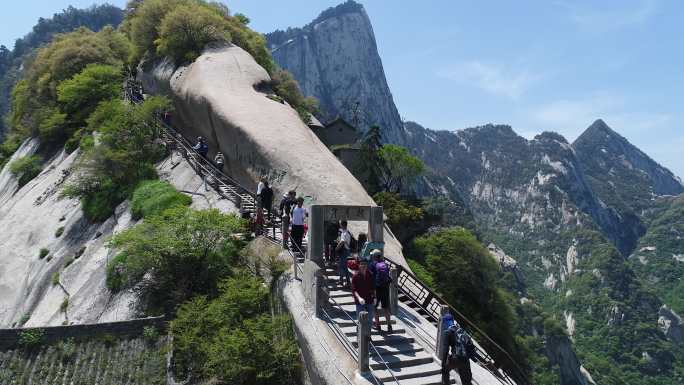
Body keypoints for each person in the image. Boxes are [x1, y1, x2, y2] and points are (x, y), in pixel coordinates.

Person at [441, 314, 480, 385]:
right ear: (453, 320)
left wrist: (443, 363)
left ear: (445, 322)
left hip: (455, 358)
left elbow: (445, 350)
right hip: (465, 360)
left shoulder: (447, 333)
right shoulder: (461, 331)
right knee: (467, 382)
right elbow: (471, 346)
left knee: (445, 371)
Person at [370, 249, 393, 333]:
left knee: (374, 307)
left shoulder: (373, 265)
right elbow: (389, 278)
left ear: (374, 256)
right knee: (386, 307)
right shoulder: (385, 265)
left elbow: (370, 277)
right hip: (385, 288)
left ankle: (378, 325)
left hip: (377, 289)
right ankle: (389, 326)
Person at [351, 259, 375, 332]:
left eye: (365, 264)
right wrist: (359, 298)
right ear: (359, 266)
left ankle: (368, 334)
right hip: (360, 301)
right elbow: (354, 290)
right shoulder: (355, 276)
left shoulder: (370, 274)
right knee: (360, 319)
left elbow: (373, 287)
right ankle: (359, 334)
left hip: (369, 299)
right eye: (362, 264)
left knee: (370, 319)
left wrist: (375, 297)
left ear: (367, 266)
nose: (363, 266)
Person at [336, 220, 352, 288]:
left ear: (343, 225)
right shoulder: (347, 232)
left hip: (344, 251)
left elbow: (342, 241)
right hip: (346, 250)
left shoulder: (344, 233)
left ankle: (348, 282)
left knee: (342, 266)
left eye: (340, 224)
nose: (340, 225)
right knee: (343, 266)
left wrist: (337, 247)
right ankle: (341, 280)